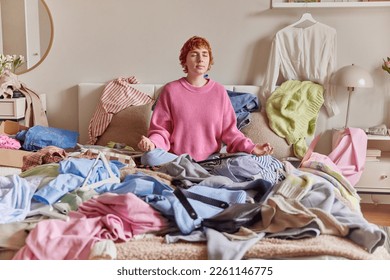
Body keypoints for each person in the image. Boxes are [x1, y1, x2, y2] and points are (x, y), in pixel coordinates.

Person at [138, 35, 273, 166]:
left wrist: (252, 147)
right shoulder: (171, 90)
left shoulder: (219, 91)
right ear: (184, 60)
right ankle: (194, 169)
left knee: (245, 160)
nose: (200, 59)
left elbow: (230, 132)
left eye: (204, 54)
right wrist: (152, 143)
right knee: (149, 157)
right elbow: (161, 130)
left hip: (210, 159)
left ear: (209, 60)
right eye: (194, 54)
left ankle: (194, 170)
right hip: (176, 158)